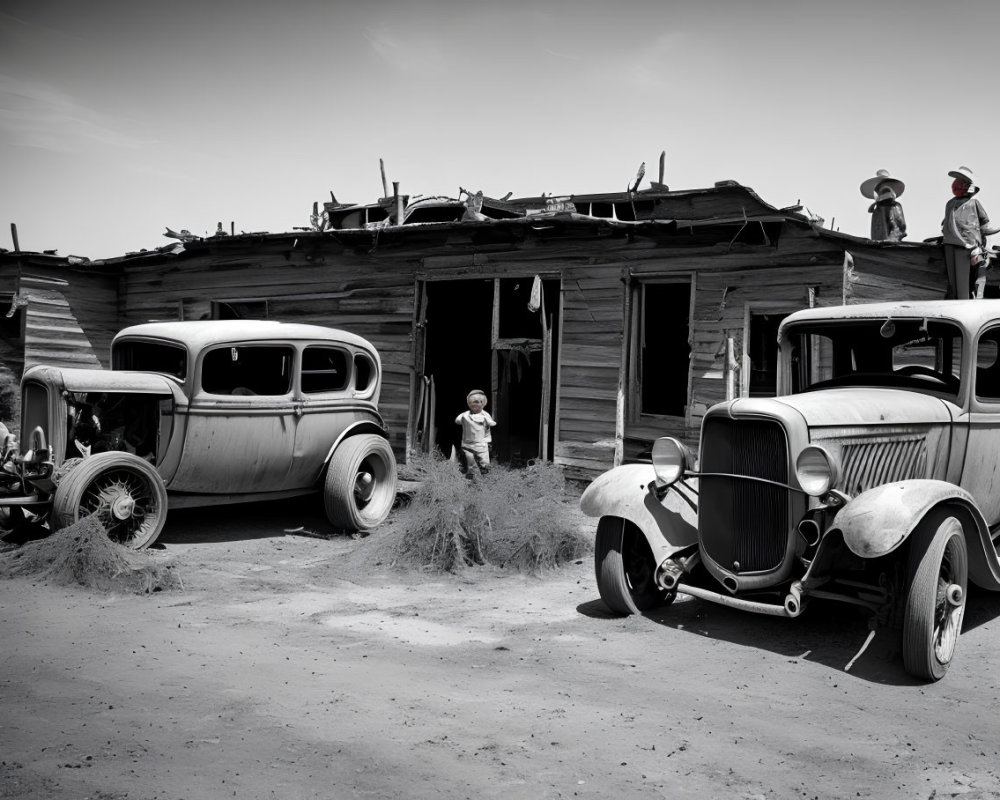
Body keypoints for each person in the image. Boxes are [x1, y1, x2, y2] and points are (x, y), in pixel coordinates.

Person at [942, 166, 998, 299]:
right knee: (953, 282)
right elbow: (946, 223)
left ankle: (964, 302)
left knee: (963, 284)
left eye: (962, 182)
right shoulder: (950, 203)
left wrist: (981, 247)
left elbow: (985, 226)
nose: (957, 185)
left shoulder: (974, 203)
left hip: (967, 246)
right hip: (950, 244)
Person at [455, 389, 497, 476]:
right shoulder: (465, 415)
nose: (474, 404)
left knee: (484, 463)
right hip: (468, 444)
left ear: (483, 403)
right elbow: (457, 421)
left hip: (481, 444)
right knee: (470, 464)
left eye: (477, 402)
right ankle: (471, 479)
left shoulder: (485, 415)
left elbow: (492, 424)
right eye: (472, 402)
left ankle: (486, 478)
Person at [860, 168, 907, 242]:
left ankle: (893, 235)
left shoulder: (895, 206)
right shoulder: (878, 210)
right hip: (880, 239)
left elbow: (901, 224)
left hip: (892, 236)